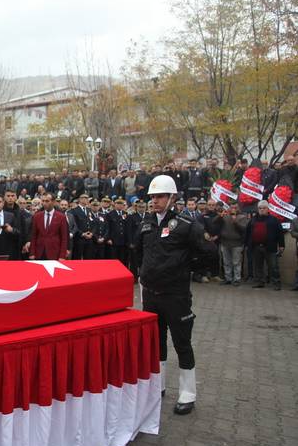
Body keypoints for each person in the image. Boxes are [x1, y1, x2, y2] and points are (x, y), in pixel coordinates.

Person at [138, 174, 215, 415]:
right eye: (152, 197)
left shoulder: (186, 225)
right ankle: (158, 386)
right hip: (151, 294)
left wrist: (187, 268)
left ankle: (187, 393)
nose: (155, 201)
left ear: (172, 197)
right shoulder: (147, 222)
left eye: (160, 196)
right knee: (155, 342)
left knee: (182, 343)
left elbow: (209, 253)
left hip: (176, 295)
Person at [246, 200, 284, 290]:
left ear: (268, 209)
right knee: (258, 266)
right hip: (256, 246)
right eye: (260, 208)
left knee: (273, 266)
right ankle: (260, 282)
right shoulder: (253, 219)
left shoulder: (274, 220)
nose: (262, 210)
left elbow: (280, 233)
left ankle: (276, 283)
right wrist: (247, 244)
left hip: (270, 247)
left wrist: (282, 245)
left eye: (264, 208)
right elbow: (248, 233)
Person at [29, 193, 68, 260]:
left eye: (47, 201)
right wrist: (32, 253)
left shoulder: (61, 217)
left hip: (55, 252)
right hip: (39, 252)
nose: (44, 203)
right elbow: (34, 236)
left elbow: (64, 237)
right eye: (43, 201)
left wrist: (62, 255)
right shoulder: (37, 216)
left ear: (53, 202)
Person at [219, 203, 248, 286]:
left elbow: (243, 229)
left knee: (236, 262)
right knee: (226, 262)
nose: (233, 209)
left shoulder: (242, 217)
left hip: (237, 243)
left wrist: (235, 222)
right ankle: (228, 278)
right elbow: (215, 222)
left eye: (235, 207)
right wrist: (220, 216)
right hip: (225, 242)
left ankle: (237, 279)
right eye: (232, 207)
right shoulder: (225, 216)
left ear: (238, 208)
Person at [106, 198, 129, 265]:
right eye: (118, 204)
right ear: (114, 205)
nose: (119, 205)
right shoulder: (110, 214)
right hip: (114, 240)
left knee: (123, 259)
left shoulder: (125, 214)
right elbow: (108, 227)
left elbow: (127, 227)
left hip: (123, 240)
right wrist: (108, 238)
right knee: (114, 258)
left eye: (121, 204)